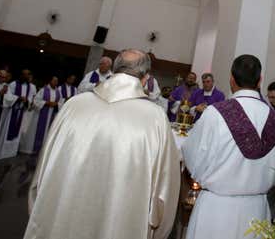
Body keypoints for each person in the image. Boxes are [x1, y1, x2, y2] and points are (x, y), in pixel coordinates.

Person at [24, 50, 180, 239]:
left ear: (113, 71)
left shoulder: (73, 105)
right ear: (146, 78)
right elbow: (164, 192)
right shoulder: (155, 119)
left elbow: (43, 171)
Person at [182, 55, 275, 239]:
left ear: (231, 79)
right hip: (258, 212)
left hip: (216, 211)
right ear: (260, 80)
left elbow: (192, 157)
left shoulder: (215, 113)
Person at [20, 76, 62, 155]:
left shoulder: (58, 92)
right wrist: (46, 103)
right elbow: (36, 100)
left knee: (48, 131)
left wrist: (57, 104)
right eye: (54, 81)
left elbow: (61, 103)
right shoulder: (43, 90)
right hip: (41, 115)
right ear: (50, 81)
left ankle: (44, 150)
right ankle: (33, 149)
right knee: (37, 131)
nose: (55, 82)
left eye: (57, 81)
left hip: (51, 115)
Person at [1, 69, 37, 159]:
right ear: (21, 75)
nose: (26, 76)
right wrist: (18, 98)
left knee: (18, 131)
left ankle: (12, 151)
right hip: (11, 112)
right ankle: (3, 152)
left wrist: (27, 101)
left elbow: (31, 99)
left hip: (22, 111)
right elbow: (8, 96)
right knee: (8, 130)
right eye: (24, 74)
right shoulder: (13, 84)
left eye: (27, 74)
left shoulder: (31, 87)